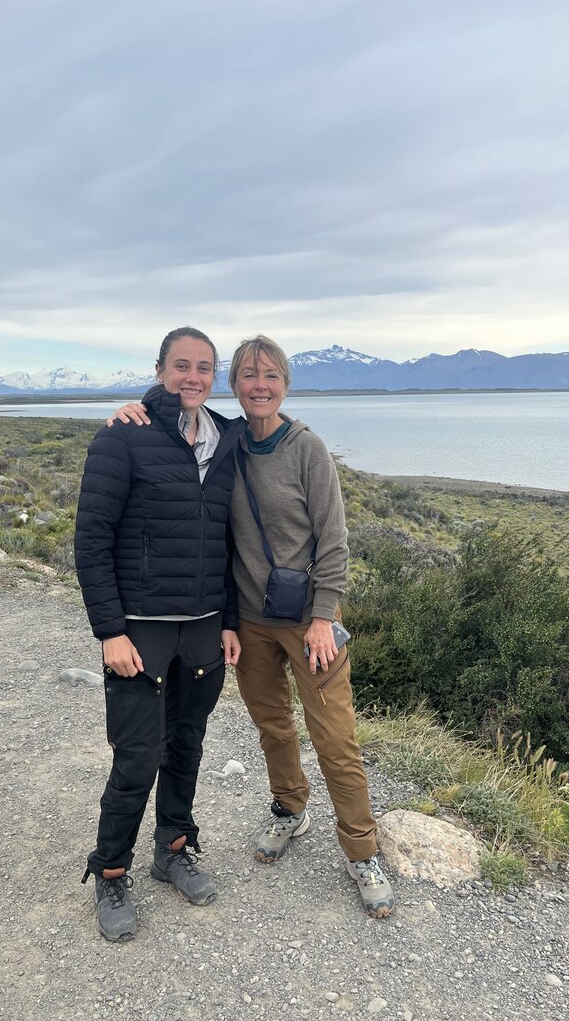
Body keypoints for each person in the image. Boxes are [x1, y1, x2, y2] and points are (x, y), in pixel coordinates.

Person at [110, 335, 394, 918]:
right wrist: (130, 409)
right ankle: (290, 809)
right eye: (248, 375)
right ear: (233, 385)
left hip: (310, 620)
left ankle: (362, 851)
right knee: (273, 725)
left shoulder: (307, 448)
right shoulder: (227, 442)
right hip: (250, 620)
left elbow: (334, 540)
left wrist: (324, 617)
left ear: (285, 384)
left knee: (335, 738)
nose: (259, 386)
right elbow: (173, 422)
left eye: (270, 376)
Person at [75, 326, 245, 942]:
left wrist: (229, 619)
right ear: (160, 369)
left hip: (202, 629)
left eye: (204, 367)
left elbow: (227, 541)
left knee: (186, 745)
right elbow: (91, 540)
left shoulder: (227, 439)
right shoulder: (123, 436)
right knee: (137, 755)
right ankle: (110, 870)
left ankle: (173, 848)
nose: (193, 377)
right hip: (141, 631)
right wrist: (110, 631)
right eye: (182, 365)